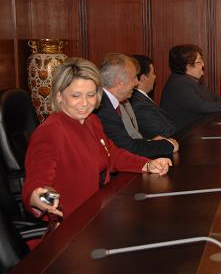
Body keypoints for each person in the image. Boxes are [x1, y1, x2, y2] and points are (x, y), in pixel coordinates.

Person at [22, 58, 171, 219]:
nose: (84, 103)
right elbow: (37, 183)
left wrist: (147, 164)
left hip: (100, 211)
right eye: (76, 95)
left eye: (91, 95)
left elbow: (112, 155)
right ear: (59, 96)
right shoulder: (50, 132)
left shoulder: (92, 121)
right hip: (73, 222)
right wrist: (41, 197)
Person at [96, 53, 178, 158]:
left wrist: (149, 142)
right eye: (134, 78)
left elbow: (127, 142)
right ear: (119, 83)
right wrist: (168, 145)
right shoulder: (102, 108)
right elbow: (127, 148)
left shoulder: (109, 102)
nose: (136, 83)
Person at [161, 44, 221, 130]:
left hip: (197, 131)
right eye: (199, 62)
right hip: (184, 134)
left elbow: (213, 97)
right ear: (187, 66)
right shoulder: (178, 83)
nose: (203, 64)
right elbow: (201, 105)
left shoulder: (192, 80)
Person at [129, 54, 176, 139]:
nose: (155, 76)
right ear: (143, 78)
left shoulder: (141, 98)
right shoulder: (140, 105)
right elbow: (163, 133)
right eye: (153, 73)